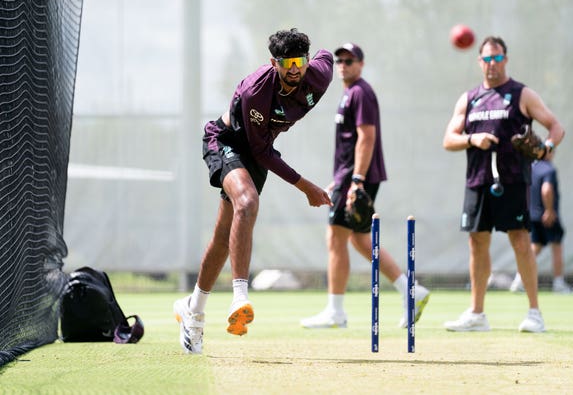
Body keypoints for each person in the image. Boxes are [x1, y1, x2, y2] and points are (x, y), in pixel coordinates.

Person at [173, 29, 333, 354]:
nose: (294, 69)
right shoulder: (256, 92)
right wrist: (306, 187)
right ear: (274, 63)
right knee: (247, 202)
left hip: (260, 149)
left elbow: (327, 56)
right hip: (227, 141)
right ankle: (240, 297)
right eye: (287, 62)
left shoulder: (318, 75)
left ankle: (193, 310)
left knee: (222, 239)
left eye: (299, 61)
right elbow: (259, 152)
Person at [300, 43, 430, 330]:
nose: (343, 65)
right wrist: (341, 177)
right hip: (349, 176)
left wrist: (356, 180)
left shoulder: (361, 92)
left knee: (335, 238)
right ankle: (410, 289)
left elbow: (366, 137)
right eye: (340, 60)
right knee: (357, 239)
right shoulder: (350, 94)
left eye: (349, 60)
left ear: (361, 63)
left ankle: (335, 311)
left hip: (357, 178)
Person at [442, 36, 565, 333]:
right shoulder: (469, 98)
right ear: (479, 62)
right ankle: (477, 313)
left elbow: (555, 126)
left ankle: (535, 313)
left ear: (505, 60)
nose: (492, 64)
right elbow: (448, 139)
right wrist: (473, 139)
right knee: (477, 242)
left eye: (497, 58)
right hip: (478, 180)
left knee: (521, 241)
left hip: (512, 180)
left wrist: (546, 146)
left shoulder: (521, 94)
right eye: (487, 59)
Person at [510, 150, 573, 294]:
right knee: (556, 246)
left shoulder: (530, 168)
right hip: (547, 215)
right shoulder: (548, 169)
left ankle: (519, 279)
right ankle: (558, 283)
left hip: (532, 216)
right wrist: (549, 210)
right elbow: (546, 190)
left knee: (535, 248)